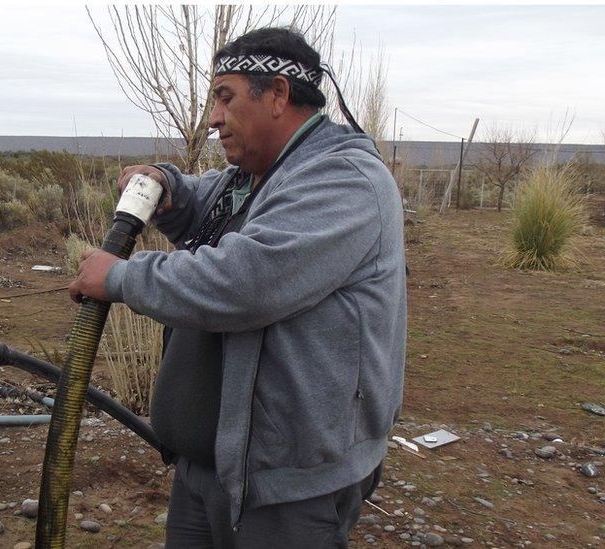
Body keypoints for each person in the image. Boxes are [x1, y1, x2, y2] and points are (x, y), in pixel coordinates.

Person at [69, 26, 406, 548]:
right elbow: (209, 202)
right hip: (213, 468)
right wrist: (168, 187)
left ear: (277, 94)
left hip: (287, 487)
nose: (212, 119)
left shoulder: (343, 179)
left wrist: (118, 277)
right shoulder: (258, 174)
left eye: (225, 97)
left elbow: (247, 281)